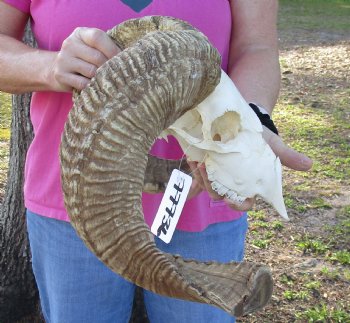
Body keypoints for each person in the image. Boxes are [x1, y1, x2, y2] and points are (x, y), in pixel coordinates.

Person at [0, 0, 312, 322]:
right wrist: (50, 67)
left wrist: (247, 125)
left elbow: (256, 45)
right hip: (76, 201)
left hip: (202, 189)